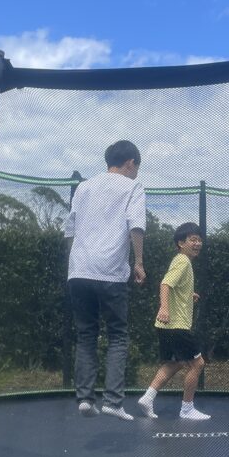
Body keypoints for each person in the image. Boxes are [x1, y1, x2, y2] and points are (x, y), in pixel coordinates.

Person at [64, 140, 147, 421]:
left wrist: (75, 264)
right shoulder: (133, 187)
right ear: (130, 163)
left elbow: (70, 229)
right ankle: (113, 401)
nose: (136, 173)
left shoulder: (84, 187)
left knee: (86, 335)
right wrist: (138, 262)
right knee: (118, 335)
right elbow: (136, 225)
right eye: (137, 167)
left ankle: (85, 399)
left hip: (79, 271)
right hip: (110, 272)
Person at [136, 222, 210, 421]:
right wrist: (164, 308)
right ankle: (187, 409)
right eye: (193, 240)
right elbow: (165, 284)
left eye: (199, 240)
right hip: (177, 325)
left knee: (175, 363)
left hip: (166, 327)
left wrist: (188, 294)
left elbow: (175, 285)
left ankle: (147, 398)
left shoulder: (180, 261)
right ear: (181, 243)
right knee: (197, 364)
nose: (198, 243)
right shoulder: (183, 261)